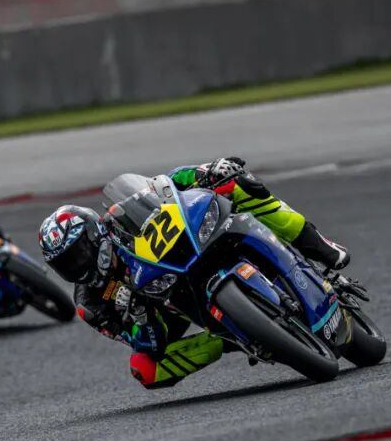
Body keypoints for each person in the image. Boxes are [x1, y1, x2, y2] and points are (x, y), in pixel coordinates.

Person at [38, 157, 349, 389]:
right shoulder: (90, 304)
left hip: (190, 245)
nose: (77, 267)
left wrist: (207, 171)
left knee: (236, 185)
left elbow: (164, 183)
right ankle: (233, 339)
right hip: (165, 307)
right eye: (66, 265)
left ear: (94, 235)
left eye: (78, 255)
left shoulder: (118, 217)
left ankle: (319, 245)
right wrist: (139, 316)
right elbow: (145, 344)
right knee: (145, 369)